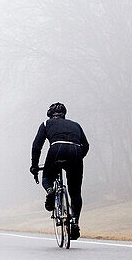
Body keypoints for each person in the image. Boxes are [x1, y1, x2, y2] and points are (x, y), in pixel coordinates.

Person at [30, 102, 89, 238]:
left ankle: (51, 192)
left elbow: (36, 146)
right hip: (76, 151)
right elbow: (86, 145)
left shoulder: (46, 124)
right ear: (64, 115)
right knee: (75, 191)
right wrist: (79, 157)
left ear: (50, 115)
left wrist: (34, 166)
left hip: (56, 149)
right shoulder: (75, 125)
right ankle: (75, 222)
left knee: (47, 178)